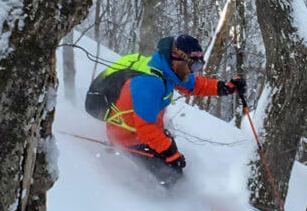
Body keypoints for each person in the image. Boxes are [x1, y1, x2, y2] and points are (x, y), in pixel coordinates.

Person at [87, 34, 246, 187]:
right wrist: (171, 153)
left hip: (146, 130)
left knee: (175, 164)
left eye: (198, 66)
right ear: (178, 59)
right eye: (193, 66)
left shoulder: (166, 69)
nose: (194, 71)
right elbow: (146, 129)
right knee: (172, 177)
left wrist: (224, 88)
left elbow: (193, 84)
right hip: (128, 136)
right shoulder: (150, 83)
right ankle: (163, 207)